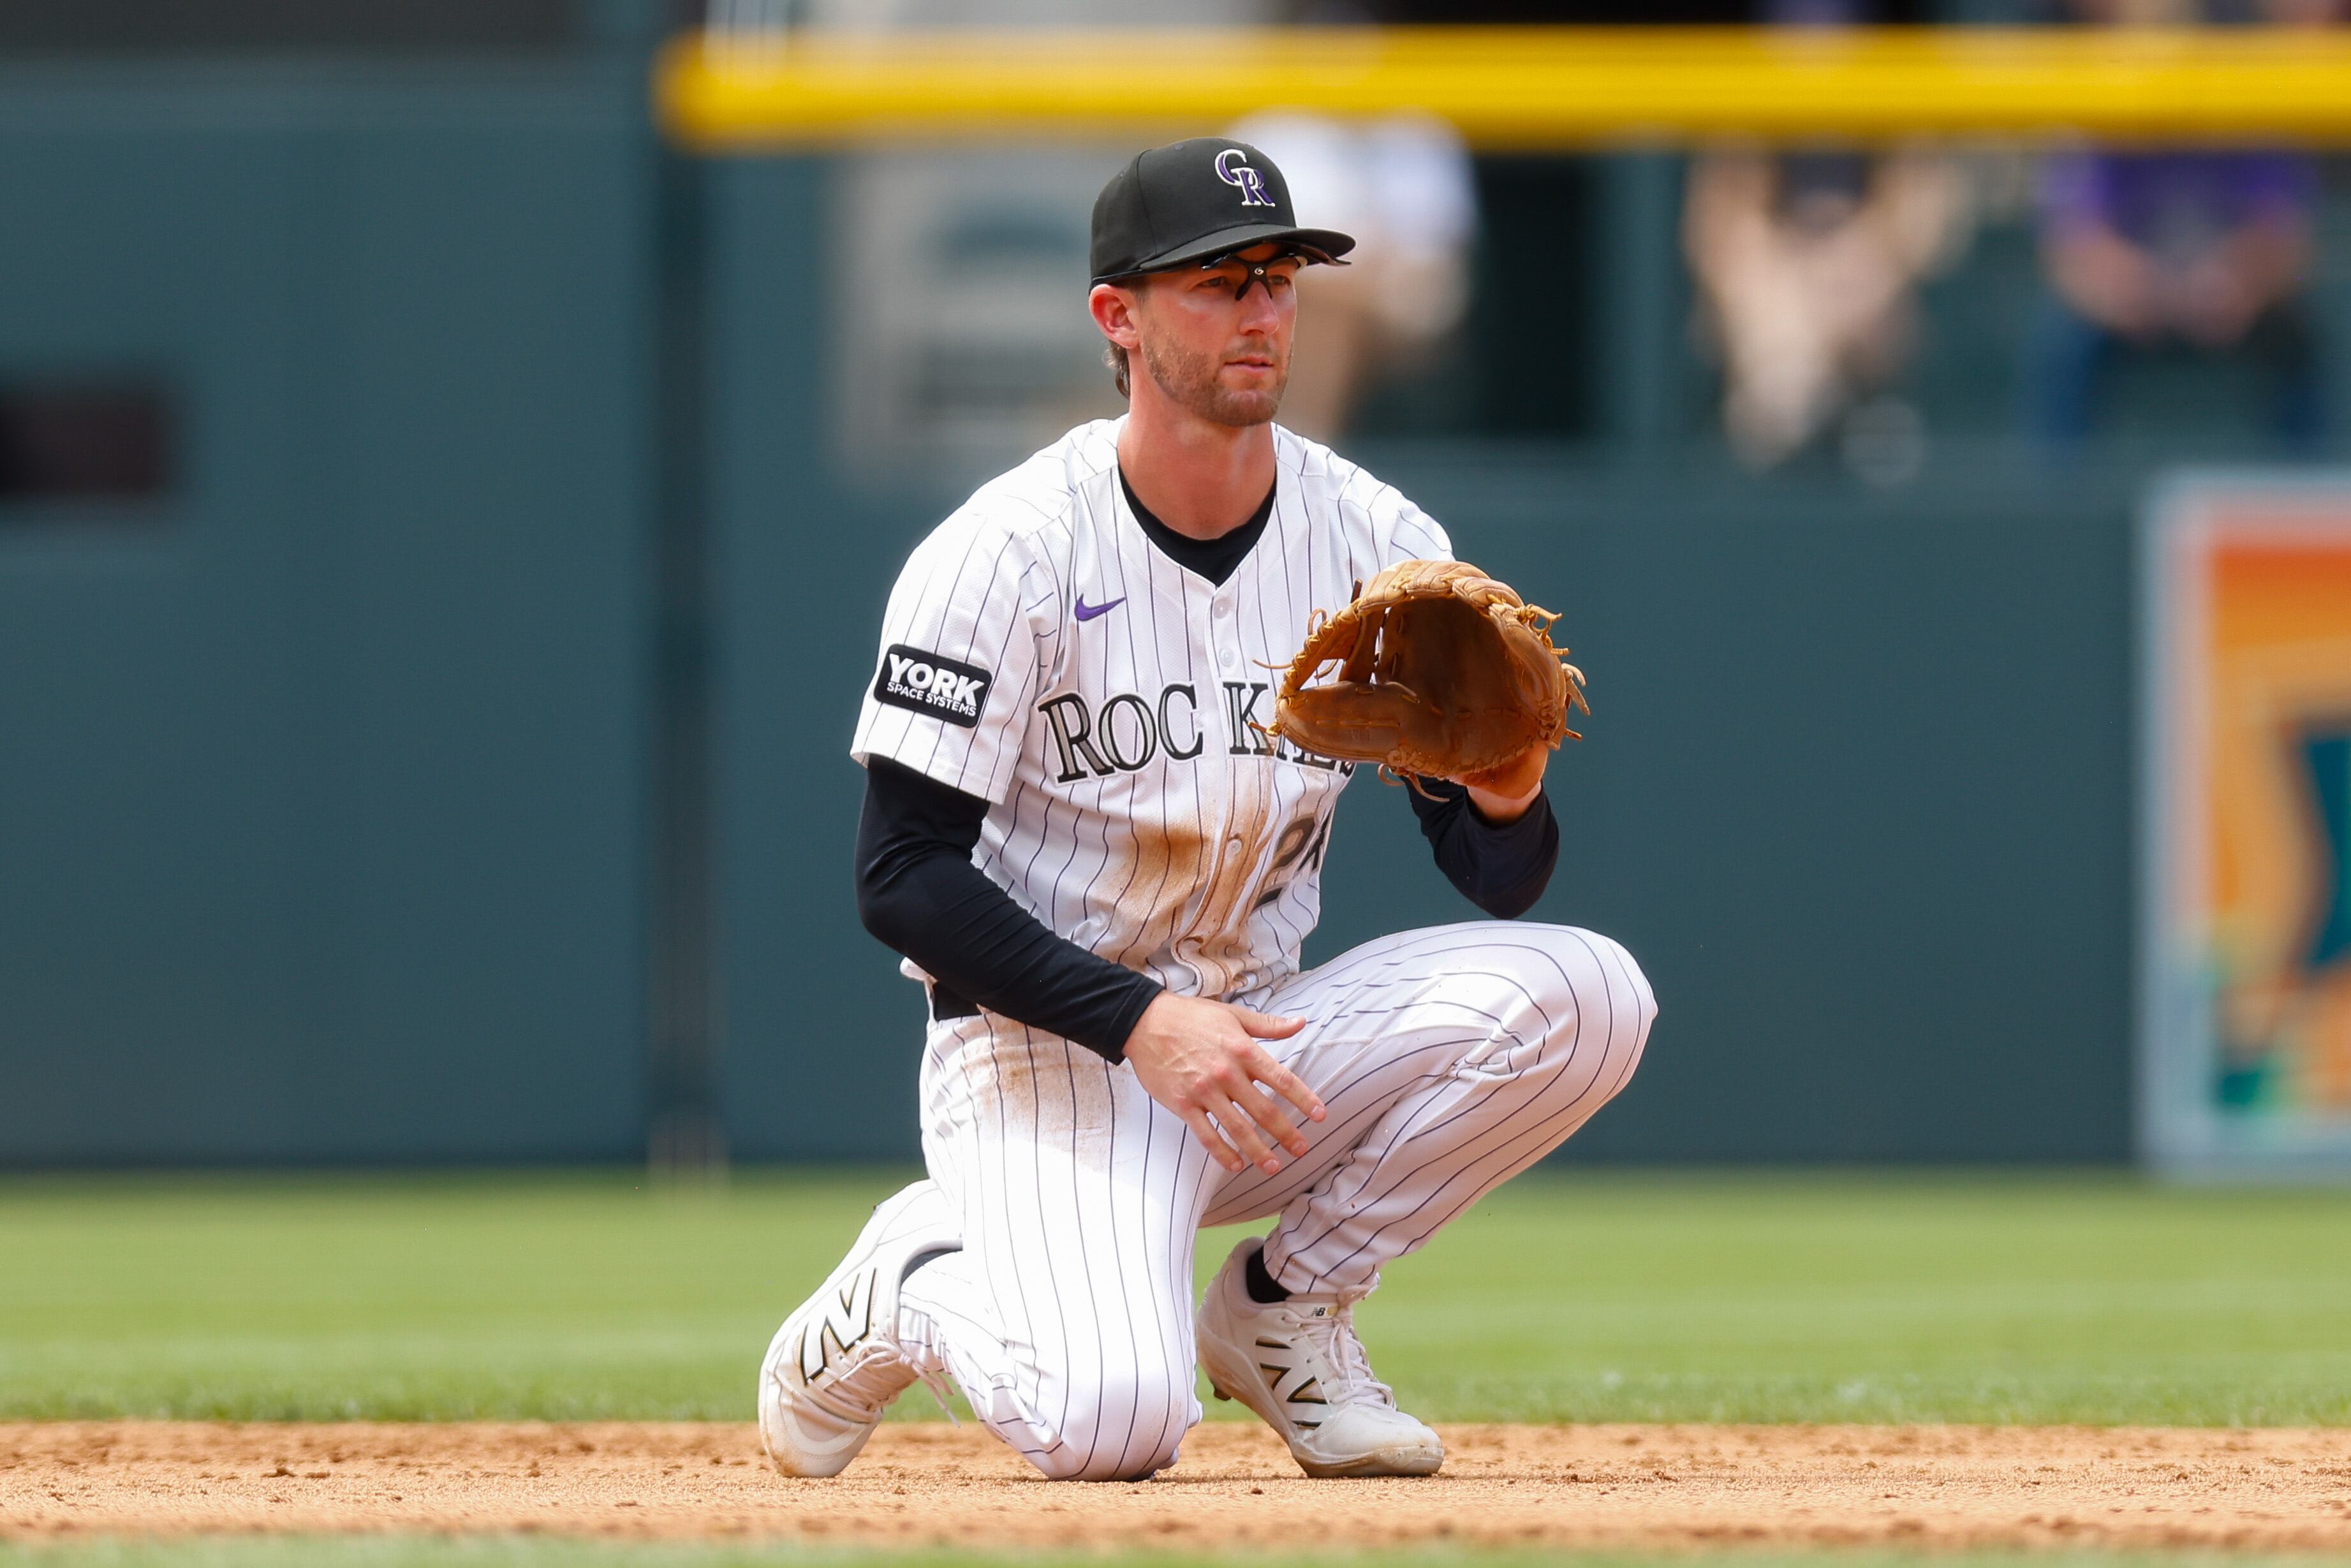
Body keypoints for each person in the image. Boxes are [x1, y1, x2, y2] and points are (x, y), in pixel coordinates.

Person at [757, 138, 1656, 1486]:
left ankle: (1285, 1310)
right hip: (1044, 1062)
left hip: (1256, 1048)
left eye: (1281, 278)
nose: (1261, 312)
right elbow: (901, 876)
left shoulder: (1369, 534)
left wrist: (1506, 792)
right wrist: (1138, 1020)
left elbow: (1495, 876)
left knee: (1591, 995)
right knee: (1111, 1422)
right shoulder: (1007, 550)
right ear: (1117, 318)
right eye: (1218, 281)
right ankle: (913, 1273)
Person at [2023, 0, 2331, 449]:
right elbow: (2069, 246)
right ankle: (2058, 502)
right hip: (2135, 311)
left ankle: (2308, 494)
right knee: (2063, 344)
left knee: (2299, 339)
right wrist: (2132, 285)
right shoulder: (2106, 120)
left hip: (2231, 304)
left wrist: (2239, 278)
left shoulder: (2244, 113)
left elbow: (2290, 239)